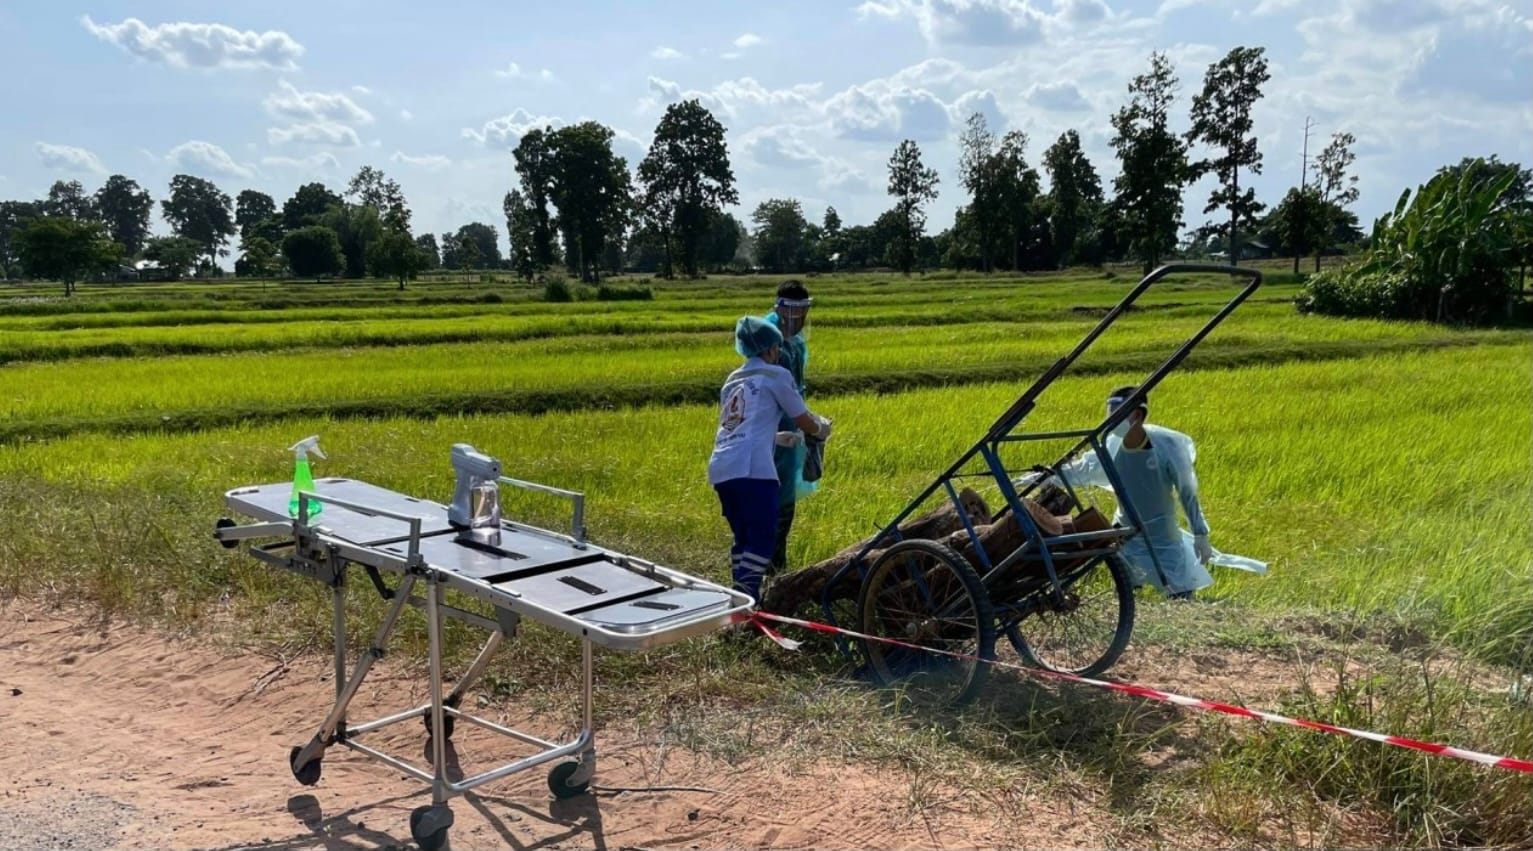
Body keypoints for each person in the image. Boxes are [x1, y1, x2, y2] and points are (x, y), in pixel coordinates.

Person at [1045, 386, 1217, 600]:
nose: (1109, 420)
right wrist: (1046, 476)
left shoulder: (1167, 446)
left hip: (1163, 537)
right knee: (1126, 589)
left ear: (1136, 415)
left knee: (1179, 592)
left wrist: (1200, 533)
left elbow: (1187, 491)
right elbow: (1081, 470)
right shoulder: (1110, 445)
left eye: (1116, 413)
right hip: (1127, 532)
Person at [708, 315, 831, 603]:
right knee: (764, 537)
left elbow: (739, 425)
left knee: (744, 539)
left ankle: (738, 598)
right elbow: (802, 418)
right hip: (753, 471)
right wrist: (821, 429)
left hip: (722, 468)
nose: (778, 353)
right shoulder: (776, 376)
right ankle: (748, 599)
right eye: (776, 348)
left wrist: (775, 439)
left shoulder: (732, 380)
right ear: (769, 349)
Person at [764, 280, 814, 578]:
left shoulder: (795, 344)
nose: (797, 322)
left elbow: (797, 390)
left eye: (802, 315)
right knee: (769, 506)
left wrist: (808, 421)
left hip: (791, 430)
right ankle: (765, 571)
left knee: (785, 505)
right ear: (780, 312)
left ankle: (776, 568)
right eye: (791, 316)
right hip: (769, 435)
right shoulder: (768, 345)